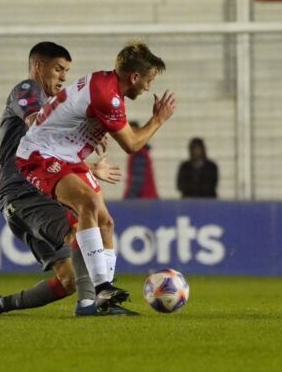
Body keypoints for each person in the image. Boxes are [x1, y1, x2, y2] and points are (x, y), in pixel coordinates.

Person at [0, 42, 131, 317]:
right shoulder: (28, 90)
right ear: (37, 66)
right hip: (24, 192)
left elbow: (51, 154)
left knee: (69, 279)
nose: (63, 77)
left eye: (66, 70)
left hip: (29, 195)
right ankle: (91, 305)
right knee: (82, 225)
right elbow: (38, 127)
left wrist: (88, 166)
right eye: (58, 69)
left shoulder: (56, 109)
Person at [16, 38, 176, 312]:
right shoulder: (108, 95)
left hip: (67, 156)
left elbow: (72, 113)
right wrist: (158, 119)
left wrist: (89, 134)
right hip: (38, 155)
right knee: (87, 202)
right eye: (148, 80)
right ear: (134, 76)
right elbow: (132, 145)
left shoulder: (106, 84)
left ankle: (105, 301)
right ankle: (102, 288)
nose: (149, 87)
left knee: (106, 224)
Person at [123, 120, 159, 199]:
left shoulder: (139, 155)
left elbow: (137, 181)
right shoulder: (140, 153)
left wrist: (127, 200)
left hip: (144, 201)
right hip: (147, 200)